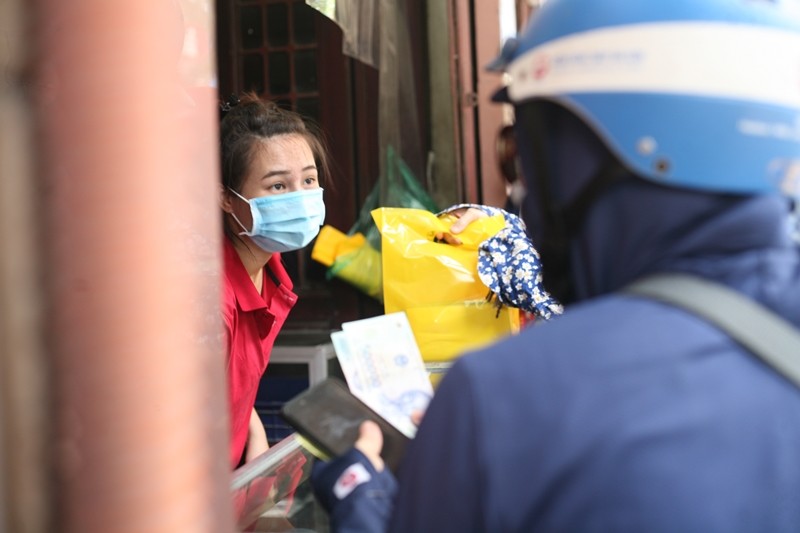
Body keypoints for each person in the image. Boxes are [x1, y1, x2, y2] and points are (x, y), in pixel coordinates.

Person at [310, 0, 800, 530]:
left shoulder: (503, 398)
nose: (520, 194)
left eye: (523, 155)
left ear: (588, 159)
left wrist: (362, 498)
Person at [220, 93, 330, 468]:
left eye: (309, 180)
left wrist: (253, 431)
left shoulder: (268, 270)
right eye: (278, 186)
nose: (301, 199)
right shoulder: (210, 304)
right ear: (226, 198)